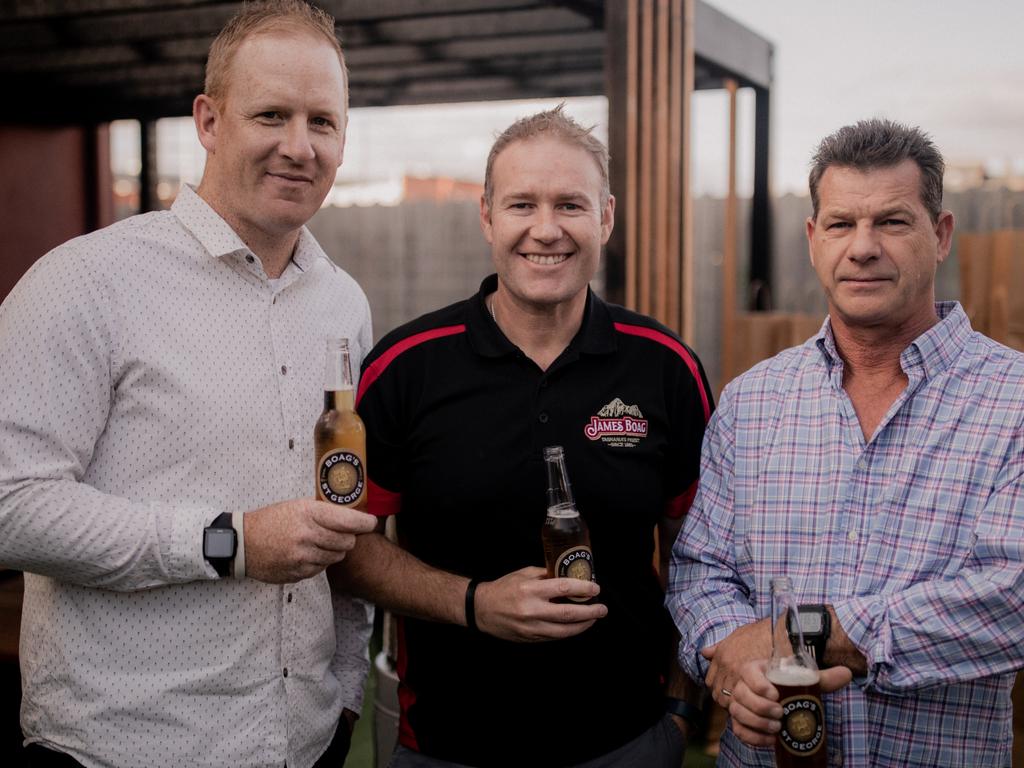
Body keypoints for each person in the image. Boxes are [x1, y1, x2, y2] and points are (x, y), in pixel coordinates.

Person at [0, 2, 378, 766]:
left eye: (323, 121)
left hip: (306, 742)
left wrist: (342, 691)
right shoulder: (84, 284)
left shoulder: (345, 304)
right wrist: (230, 542)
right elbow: (11, 505)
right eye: (271, 114)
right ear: (208, 120)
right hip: (125, 746)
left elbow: (341, 509)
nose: (299, 147)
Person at [330, 105, 713, 767]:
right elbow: (348, 550)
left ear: (607, 217)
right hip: (448, 748)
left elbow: (699, 553)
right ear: (486, 215)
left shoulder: (665, 368)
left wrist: (680, 712)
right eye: (520, 205)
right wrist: (475, 603)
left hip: (630, 742)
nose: (545, 230)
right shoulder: (405, 370)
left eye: (570, 204)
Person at [668, 119, 1024, 767]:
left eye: (892, 222)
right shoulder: (752, 402)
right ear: (812, 240)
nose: (862, 248)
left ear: (940, 235)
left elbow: (1013, 593)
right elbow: (700, 571)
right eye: (840, 224)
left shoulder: (1013, 401)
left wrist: (816, 633)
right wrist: (733, 656)